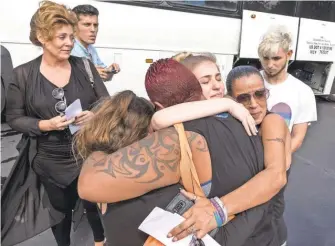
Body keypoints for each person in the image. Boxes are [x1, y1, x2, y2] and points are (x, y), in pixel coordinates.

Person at [78, 59, 287, 245]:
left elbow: (89, 185)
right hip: (268, 233)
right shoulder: (247, 123)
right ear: (196, 85)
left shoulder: (175, 139)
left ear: (158, 106)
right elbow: (273, 179)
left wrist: (98, 145)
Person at [3, 1, 108, 246]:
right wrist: (44, 125)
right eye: (62, 37)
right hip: (49, 161)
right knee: (59, 212)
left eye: (71, 37)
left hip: (85, 154)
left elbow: (106, 103)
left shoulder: (84, 66)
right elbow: (14, 118)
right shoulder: (22, 75)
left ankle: (100, 241)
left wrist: (94, 115)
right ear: (42, 37)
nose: (69, 43)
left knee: (92, 203)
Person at [151, 64, 291, 244]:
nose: (254, 104)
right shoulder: (231, 122)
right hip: (244, 233)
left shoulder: (272, 122)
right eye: (243, 98)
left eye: (259, 94)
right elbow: (159, 119)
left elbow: (276, 176)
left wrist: (215, 209)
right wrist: (225, 104)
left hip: (267, 236)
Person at [258, 25, 317, 153]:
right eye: (265, 58)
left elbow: (297, 137)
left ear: (289, 54)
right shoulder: (249, 82)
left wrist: (276, 162)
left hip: (279, 164)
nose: (270, 65)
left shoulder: (303, 92)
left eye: (276, 58)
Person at [71, 4, 120, 81]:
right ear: (74, 26)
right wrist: (91, 73)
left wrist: (110, 71)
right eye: (87, 24)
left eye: (95, 25)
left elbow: (104, 78)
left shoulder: (91, 49)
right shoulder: (68, 48)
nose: (93, 30)